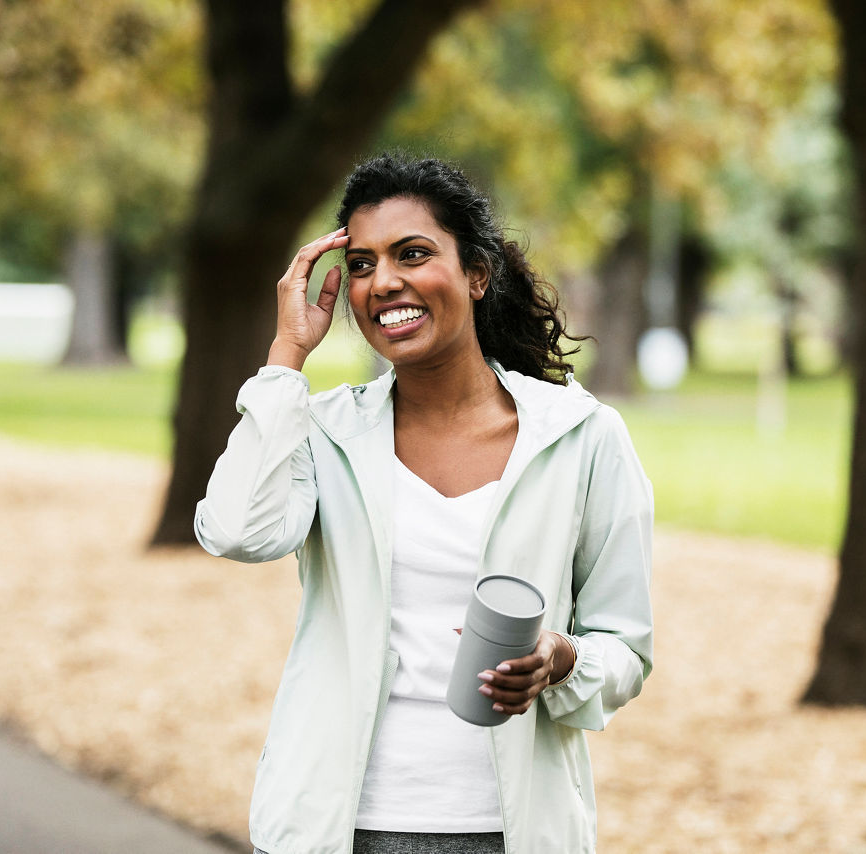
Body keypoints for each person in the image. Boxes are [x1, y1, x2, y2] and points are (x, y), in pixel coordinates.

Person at [195, 154, 654, 854]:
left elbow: (625, 648)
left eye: (412, 254)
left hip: (511, 830)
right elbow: (235, 530)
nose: (384, 283)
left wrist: (559, 657)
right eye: (361, 264)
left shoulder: (582, 438)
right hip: (340, 826)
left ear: (477, 274)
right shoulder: (323, 431)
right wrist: (286, 355)